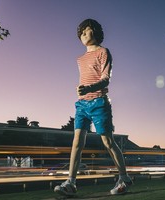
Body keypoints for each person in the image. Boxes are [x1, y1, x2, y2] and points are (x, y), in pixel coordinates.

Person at [54, 19, 132, 196]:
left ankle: (124, 178)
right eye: (80, 32)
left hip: (99, 102)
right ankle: (70, 183)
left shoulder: (104, 52)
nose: (83, 34)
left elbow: (106, 79)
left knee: (108, 142)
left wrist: (89, 88)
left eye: (86, 30)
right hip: (82, 104)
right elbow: (85, 79)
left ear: (95, 32)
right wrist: (82, 90)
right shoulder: (80, 59)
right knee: (76, 143)